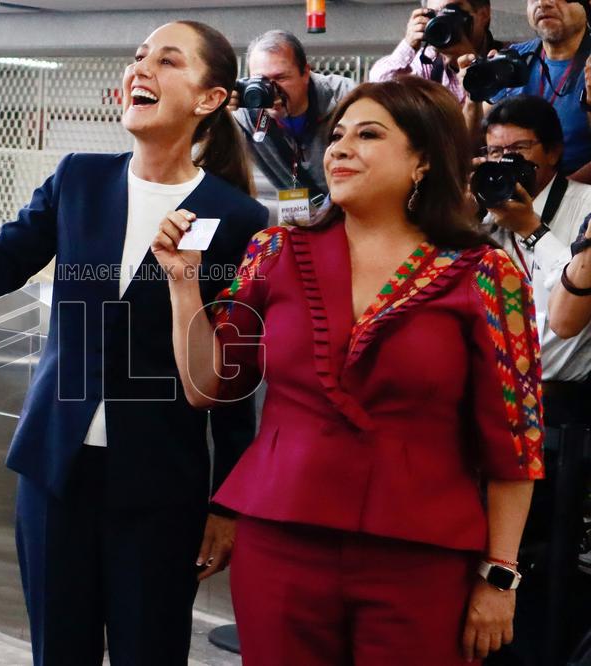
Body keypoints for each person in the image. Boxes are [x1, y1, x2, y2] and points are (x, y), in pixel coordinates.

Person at [154, 77, 545, 665]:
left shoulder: (486, 274)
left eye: (368, 135)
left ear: (422, 160)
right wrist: (184, 281)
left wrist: (500, 575)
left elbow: (515, 441)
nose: (339, 148)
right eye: (336, 136)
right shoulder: (273, 250)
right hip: (280, 540)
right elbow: (208, 386)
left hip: (421, 555)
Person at [0, 21, 268, 666]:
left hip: (160, 486)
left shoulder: (238, 219)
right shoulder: (79, 180)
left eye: (168, 61)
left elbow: (233, 380)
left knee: (150, 652)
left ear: (210, 99)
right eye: (139, 56)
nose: (142, 68)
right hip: (55, 471)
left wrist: (226, 505)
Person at [478, 94, 591, 666]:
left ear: (553, 151)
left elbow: (569, 318)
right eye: (494, 153)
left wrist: (532, 229)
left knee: (549, 561)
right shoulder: (480, 210)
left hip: (563, 411)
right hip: (486, 405)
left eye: (519, 151)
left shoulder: (586, 208)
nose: (506, 165)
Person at [232, 30, 354, 222]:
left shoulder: (344, 98)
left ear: (305, 73)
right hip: (299, 221)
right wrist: (216, 116)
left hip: (353, 214)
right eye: (261, 80)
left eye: (281, 78)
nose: (271, 90)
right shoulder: (242, 112)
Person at [463, 0, 591, 175]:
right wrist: (473, 94)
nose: (543, 3)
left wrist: (558, 189)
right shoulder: (513, 59)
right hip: (510, 182)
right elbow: (470, 144)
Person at [369, 0, 503, 103]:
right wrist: (408, 45)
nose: (442, 21)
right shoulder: (426, 61)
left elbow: (504, 110)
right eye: (436, 14)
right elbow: (379, 89)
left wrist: (474, 64)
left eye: (452, 11)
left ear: (483, 15)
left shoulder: (505, 57)